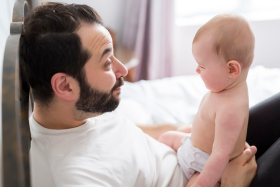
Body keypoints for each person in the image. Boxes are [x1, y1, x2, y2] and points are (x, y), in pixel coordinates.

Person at [21, 3, 257, 187]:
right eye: (106, 63)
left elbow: (125, 134)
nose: (122, 69)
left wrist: (190, 133)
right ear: (65, 86)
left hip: (197, 153)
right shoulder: (77, 178)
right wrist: (233, 183)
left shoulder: (82, 110)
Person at [158, 13, 255, 187]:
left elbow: (220, 155)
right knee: (166, 137)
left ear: (232, 69)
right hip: (191, 145)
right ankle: (155, 166)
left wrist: (201, 184)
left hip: (204, 166)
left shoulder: (232, 108)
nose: (197, 70)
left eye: (202, 66)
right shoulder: (227, 85)